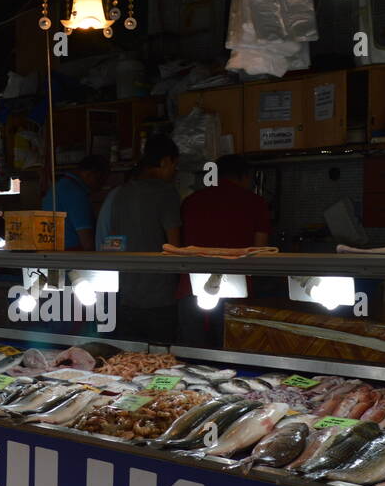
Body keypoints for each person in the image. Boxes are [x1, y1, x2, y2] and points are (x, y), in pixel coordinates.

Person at [177, 154, 270, 347]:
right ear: (245, 176)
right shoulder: (255, 203)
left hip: (191, 289)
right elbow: (261, 251)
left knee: (194, 357)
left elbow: (180, 243)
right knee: (231, 353)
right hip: (237, 290)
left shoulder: (191, 201)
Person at [101, 134, 183, 343]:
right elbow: (174, 246)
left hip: (127, 296)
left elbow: (112, 244)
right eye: (174, 165)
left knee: (130, 363)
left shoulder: (120, 193)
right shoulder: (166, 192)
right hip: (160, 297)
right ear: (165, 161)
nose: (175, 172)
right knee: (162, 360)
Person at [42, 155, 106, 251]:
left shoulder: (57, 188)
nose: (102, 185)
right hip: (72, 256)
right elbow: (88, 242)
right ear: (90, 174)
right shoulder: (76, 194)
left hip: (53, 254)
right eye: (101, 179)